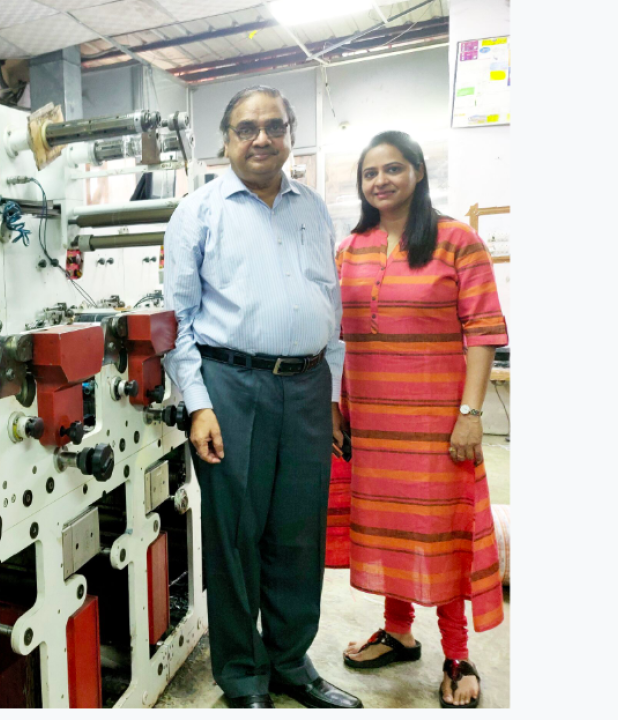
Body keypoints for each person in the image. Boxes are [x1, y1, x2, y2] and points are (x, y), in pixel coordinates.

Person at [163, 86, 360, 710]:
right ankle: (243, 677)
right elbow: (177, 317)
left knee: (299, 535)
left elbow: (329, 300)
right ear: (225, 138)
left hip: (306, 387)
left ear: (290, 134)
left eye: (275, 125)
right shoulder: (199, 211)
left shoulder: (314, 208)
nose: (262, 138)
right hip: (230, 385)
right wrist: (198, 404)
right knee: (235, 537)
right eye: (247, 128)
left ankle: (291, 664)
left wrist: (329, 389)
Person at [334, 131, 506, 709]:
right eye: (370, 173)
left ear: (418, 172)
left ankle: (456, 653)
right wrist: (339, 406)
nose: (380, 181)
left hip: (436, 422)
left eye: (393, 169)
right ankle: (398, 631)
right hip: (372, 423)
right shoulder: (351, 246)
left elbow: (483, 332)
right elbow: (337, 335)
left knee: (440, 534)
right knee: (388, 529)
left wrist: (471, 413)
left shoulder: (458, 240)